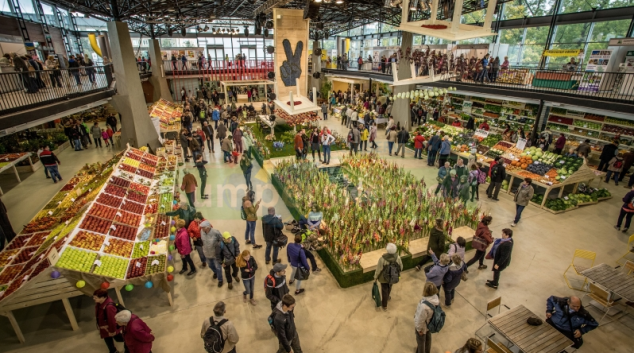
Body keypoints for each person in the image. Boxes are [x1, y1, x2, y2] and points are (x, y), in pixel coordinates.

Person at [374, 242, 403, 311]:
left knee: (384, 289)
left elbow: (378, 269)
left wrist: (375, 277)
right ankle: (387, 297)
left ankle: (384, 305)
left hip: (383, 278)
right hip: (393, 276)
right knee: (389, 286)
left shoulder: (382, 259)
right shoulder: (398, 257)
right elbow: (401, 267)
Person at [93, 289, 124, 353]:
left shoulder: (109, 307)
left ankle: (131, 342)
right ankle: (113, 351)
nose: (94, 299)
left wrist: (112, 331)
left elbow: (112, 320)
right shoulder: (100, 303)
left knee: (119, 338)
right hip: (105, 328)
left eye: (95, 297)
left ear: (102, 297)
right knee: (108, 340)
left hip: (109, 328)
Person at [414, 282, 440, 353]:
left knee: (421, 342)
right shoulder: (436, 299)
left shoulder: (424, 306)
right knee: (428, 339)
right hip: (430, 324)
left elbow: (420, 319)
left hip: (423, 327)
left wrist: (419, 330)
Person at [200, 220, 225, 286]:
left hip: (215, 254)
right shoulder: (202, 232)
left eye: (203, 227)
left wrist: (218, 246)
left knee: (218, 267)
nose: (201, 229)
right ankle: (215, 272)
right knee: (210, 265)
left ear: (207, 227)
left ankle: (220, 280)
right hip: (206, 253)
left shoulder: (215, 232)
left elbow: (221, 239)